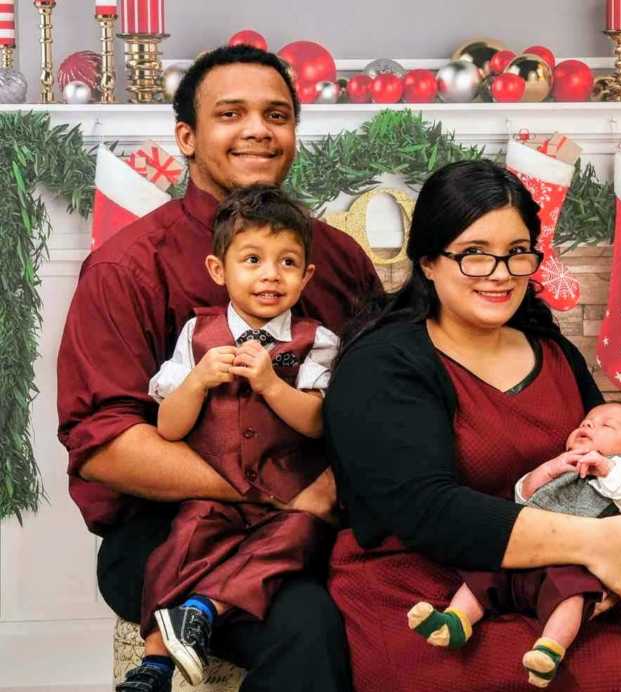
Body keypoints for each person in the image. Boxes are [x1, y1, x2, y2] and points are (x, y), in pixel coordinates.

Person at [324, 159, 621, 691]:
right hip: (430, 596)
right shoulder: (383, 363)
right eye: (474, 255)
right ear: (429, 261)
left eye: (517, 253)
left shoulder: (552, 351)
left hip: (553, 587)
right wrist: (594, 544)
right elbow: (427, 511)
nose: (501, 273)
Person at [57, 45, 380, 692]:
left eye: (277, 114)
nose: (258, 129)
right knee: (307, 622)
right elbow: (106, 445)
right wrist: (272, 489)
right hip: (170, 528)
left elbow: (378, 399)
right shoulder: (129, 268)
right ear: (187, 137)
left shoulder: (337, 260)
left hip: (317, 513)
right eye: (230, 113)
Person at [118, 185, 339, 689]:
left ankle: (202, 609)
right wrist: (195, 382)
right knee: (177, 548)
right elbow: (168, 429)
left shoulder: (316, 341)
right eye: (253, 259)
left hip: (287, 499)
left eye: (287, 263)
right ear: (220, 270)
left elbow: (318, 422)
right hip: (213, 490)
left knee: (298, 541)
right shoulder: (198, 335)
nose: (269, 275)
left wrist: (270, 385)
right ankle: (154, 663)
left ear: (306, 276)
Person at [407, 401, 621, 687]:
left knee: (573, 596)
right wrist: (547, 470)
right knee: (483, 573)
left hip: (576, 565)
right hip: (530, 551)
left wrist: (608, 468)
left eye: (606, 425)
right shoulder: (565, 463)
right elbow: (523, 496)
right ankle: (456, 621)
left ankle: (549, 648)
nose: (589, 425)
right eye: (586, 421)